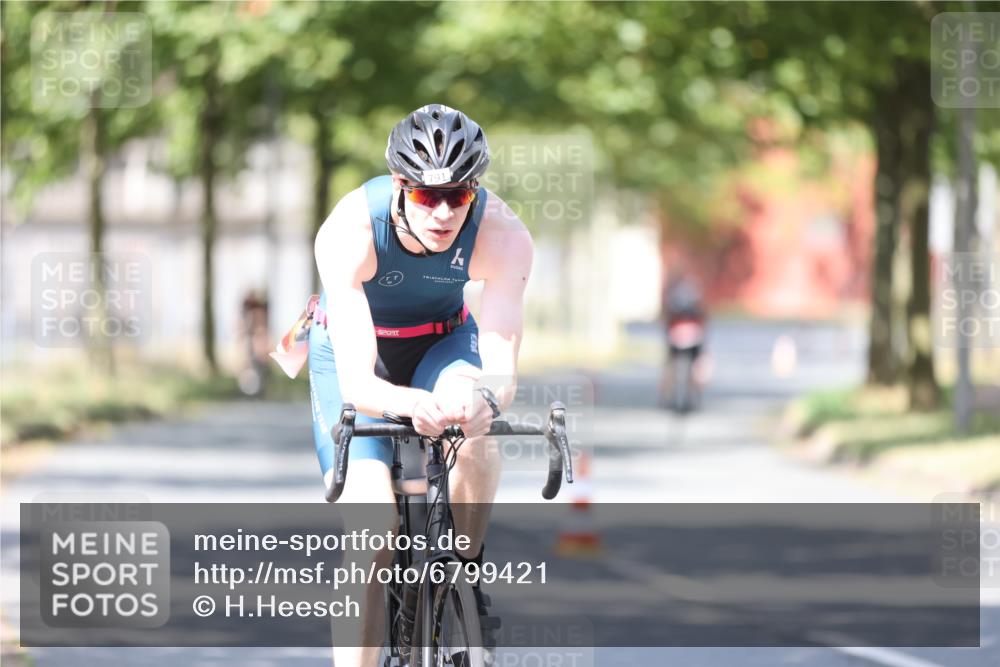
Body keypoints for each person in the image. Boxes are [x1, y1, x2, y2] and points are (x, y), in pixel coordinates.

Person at [309, 104, 533, 667]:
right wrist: (412, 403)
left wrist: (484, 400)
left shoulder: (503, 233)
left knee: (475, 428)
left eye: (458, 195)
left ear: (474, 191)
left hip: (443, 342)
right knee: (372, 531)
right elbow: (359, 382)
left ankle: (464, 574)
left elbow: (500, 366)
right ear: (398, 185)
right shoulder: (351, 230)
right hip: (356, 356)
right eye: (427, 195)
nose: (443, 212)